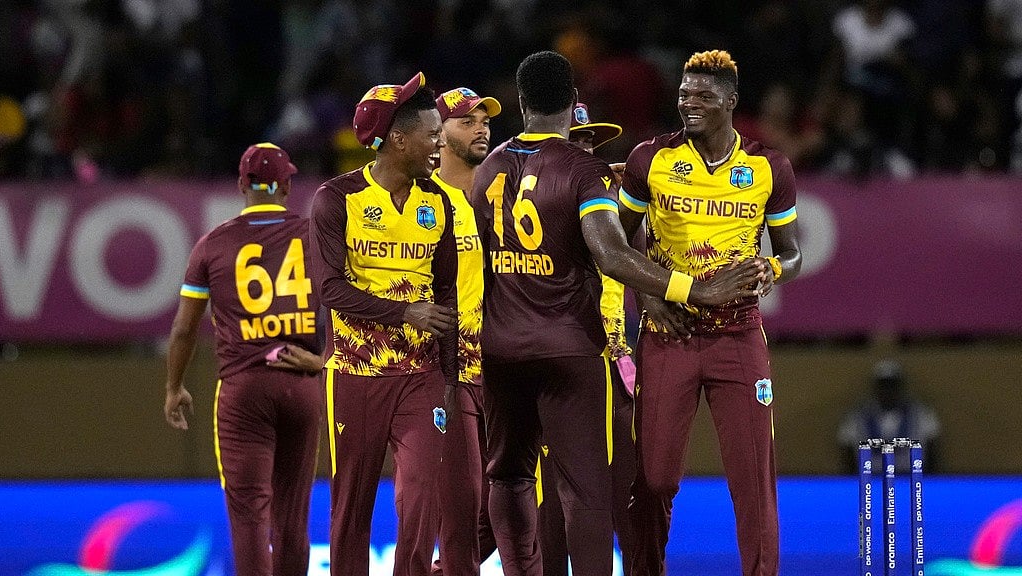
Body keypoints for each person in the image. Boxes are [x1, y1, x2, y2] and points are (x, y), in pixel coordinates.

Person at [470, 50, 766, 576]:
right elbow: (611, 254)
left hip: (500, 349)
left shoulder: (490, 166)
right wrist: (696, 290)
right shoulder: (583, 170)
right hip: (568, 348)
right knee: (585, 491)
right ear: (572, 102)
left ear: (520, 101)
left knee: (509, 477)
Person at [617, 49, 802, 576]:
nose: (689, 103)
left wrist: (774, 269)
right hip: (668, 332)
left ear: (731, 101)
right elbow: (617, 245)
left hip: (738, 335)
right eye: (683, 95)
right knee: (654, 478)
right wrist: (650, 299)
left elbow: (792, 252)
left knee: (753, 480)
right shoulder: (650, 159)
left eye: (702, 95)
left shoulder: (767, 167)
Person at [307, 72, 460, 576]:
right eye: (432, 135)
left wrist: (450, 375)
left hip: (421, 377)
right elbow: (329, 291)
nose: (441, 144)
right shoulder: (337, 199)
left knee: (420, 496)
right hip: (355, 376)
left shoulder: (437, 202)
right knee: (351, 508)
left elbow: (446, 294)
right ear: (398, 139)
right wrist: (405, 312)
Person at [164, 142, 324, 576]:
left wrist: (174, 387)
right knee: (292, 517)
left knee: (250, 513)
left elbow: (183, 329)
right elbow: (348, 305)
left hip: (245, 388)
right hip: (302, 383)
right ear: (287, 186)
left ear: (241, 185)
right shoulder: (315, 235)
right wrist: (324, 361)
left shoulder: (212, 245)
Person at [536, 101, 635, 576]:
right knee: (552, 512)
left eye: (592, 142)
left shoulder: (610, 202)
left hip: (615, 369)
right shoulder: (528, 203)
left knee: (631, 503)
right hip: (558, 367)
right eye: (576, 141)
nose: (587, 150)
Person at [429, 86, 502, 576]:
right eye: (466, 121)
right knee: (460, 506)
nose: (481, 129)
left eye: (485, 121)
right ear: (437, 135)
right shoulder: (422, 200)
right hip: (447, 372)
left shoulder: (502, 194)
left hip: (504, 367)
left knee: (508, 504)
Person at [837, 358, 942, 473]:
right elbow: (847, 455)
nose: (888, 391)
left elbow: (932, 453)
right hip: (871, 479)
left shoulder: (922, 415)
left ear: (900, 387)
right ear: (875, 388)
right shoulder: (856, 418)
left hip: (909, 477)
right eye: (883, 386)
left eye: (892, 386)